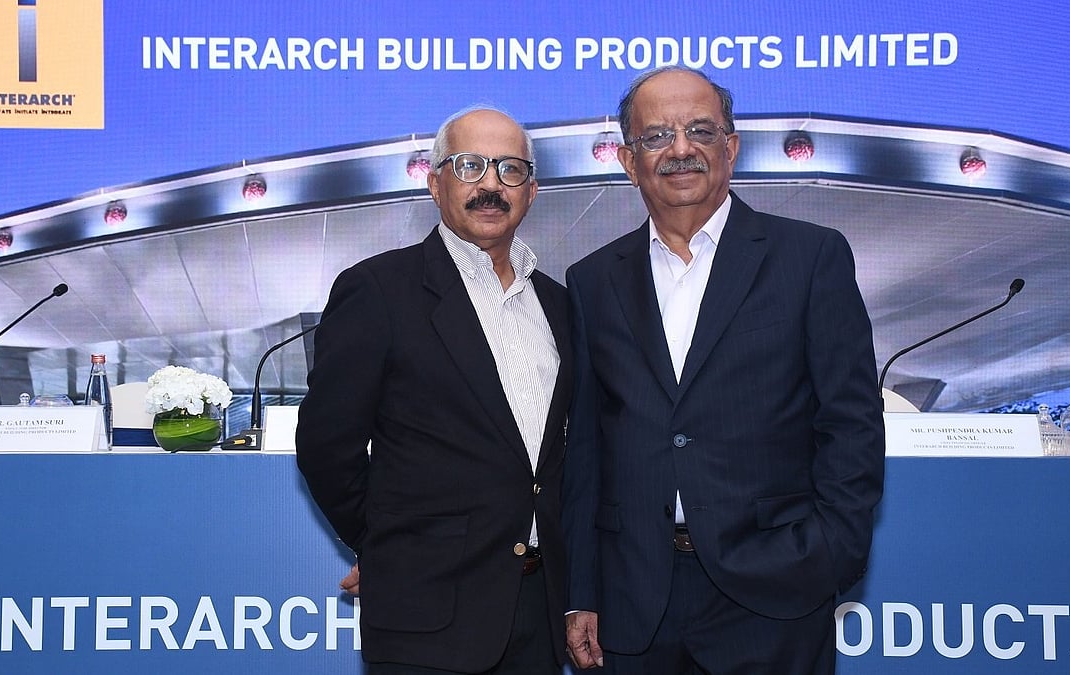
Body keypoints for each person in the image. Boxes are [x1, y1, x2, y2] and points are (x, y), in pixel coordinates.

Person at [562, 66, 885, 674]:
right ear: (629, 161)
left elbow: (851, 424)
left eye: (700, 131)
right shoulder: (592, 281)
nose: (680, 149)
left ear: (731, 148)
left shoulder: (810, 257)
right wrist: (582, 590)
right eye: (656, 136)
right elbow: (584, 450)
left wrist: (827, 556)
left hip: (775, 594)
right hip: (632, 600)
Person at [296, 106, 573, 674]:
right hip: (425, 615)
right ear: (434, 183)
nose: (491, 184)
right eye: (470, 166)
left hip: (540, 614)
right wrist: (392, 546)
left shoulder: (559, 304)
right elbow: (326, 446)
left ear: (532, 191)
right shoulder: (377, 290)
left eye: (510, 169)